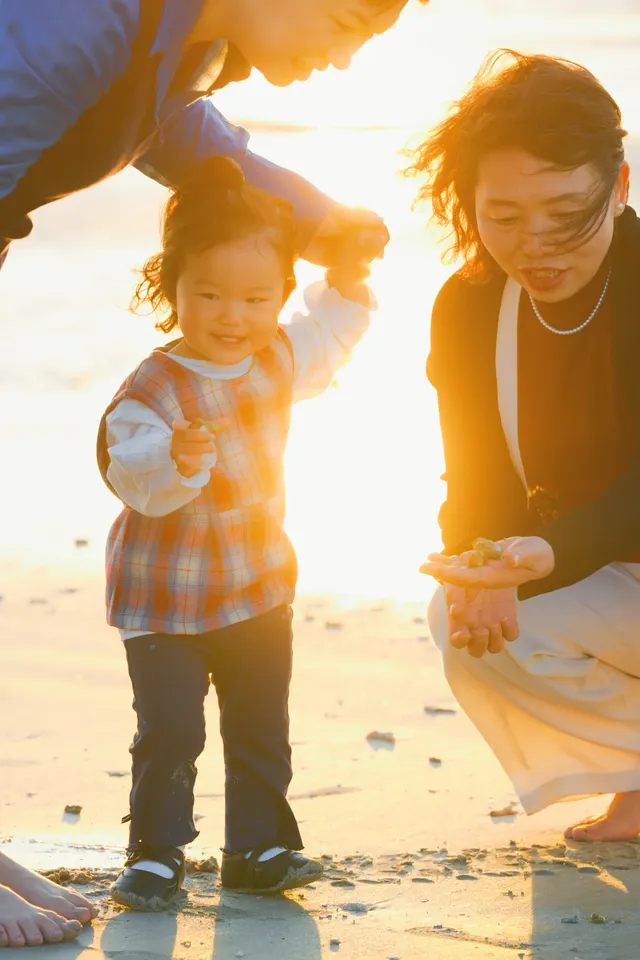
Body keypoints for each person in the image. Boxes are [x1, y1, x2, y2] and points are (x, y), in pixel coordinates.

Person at [96, 157, 373, 910]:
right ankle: (154, 854)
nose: (231, 315)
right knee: (172, 729)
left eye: (256, 297)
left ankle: (257, 847)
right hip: (165, 596)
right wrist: (173, 459)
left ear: (280, 294)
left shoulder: (277, 355)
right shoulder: (153, 384)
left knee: (260, 725)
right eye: (208, 293)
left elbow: (328, 335)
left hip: (256, 583)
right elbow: (128, 469)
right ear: (172, 288)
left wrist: (348, 279)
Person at [413, 51, 640, 842]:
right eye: (504, 216)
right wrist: (476, 561)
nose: (536, 243)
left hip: (597, 557)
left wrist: (546, 553)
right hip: (612, 577)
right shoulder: (472, 303)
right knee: (469, 620)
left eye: (566, 211)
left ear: (619, 185)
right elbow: (473, 473)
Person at [0, 0, 423, 274]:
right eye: (342, 24)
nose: (344, 58)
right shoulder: (84, 21)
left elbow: (154, 122)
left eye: (364, 39)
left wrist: (304, 212)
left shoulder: (192, 42)